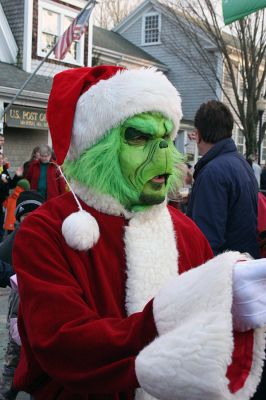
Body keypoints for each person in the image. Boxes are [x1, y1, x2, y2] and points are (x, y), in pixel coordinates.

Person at [12, 66, 266, 400]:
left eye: (165, 139)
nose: (164, 154)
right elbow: (63, 343)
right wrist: (166, 319)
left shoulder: (187, 233)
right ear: (94, 148)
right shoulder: (45, 231)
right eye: (139, 137)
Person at [186, 100, 260, 258]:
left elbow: (206, 241)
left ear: (198, 135)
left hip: (224, 272)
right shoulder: (243, 164)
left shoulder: (212, 173)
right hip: (244, 264)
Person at [0, 190, 44, 400]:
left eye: (34, 216)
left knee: (40, 347)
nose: (30, 222)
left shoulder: (49, 236)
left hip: (43, 299)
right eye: (25, 218)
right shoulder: (13, 241)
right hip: (19, 298)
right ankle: (8, 389)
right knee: (15, 347)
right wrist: (12, 275)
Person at [0, 154, 23, 242]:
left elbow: (10, 185)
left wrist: (17, 176)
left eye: (1, 158)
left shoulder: (4, 171)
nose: (1, 160)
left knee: (2, 227)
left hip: (3, 202)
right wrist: (2, 183)